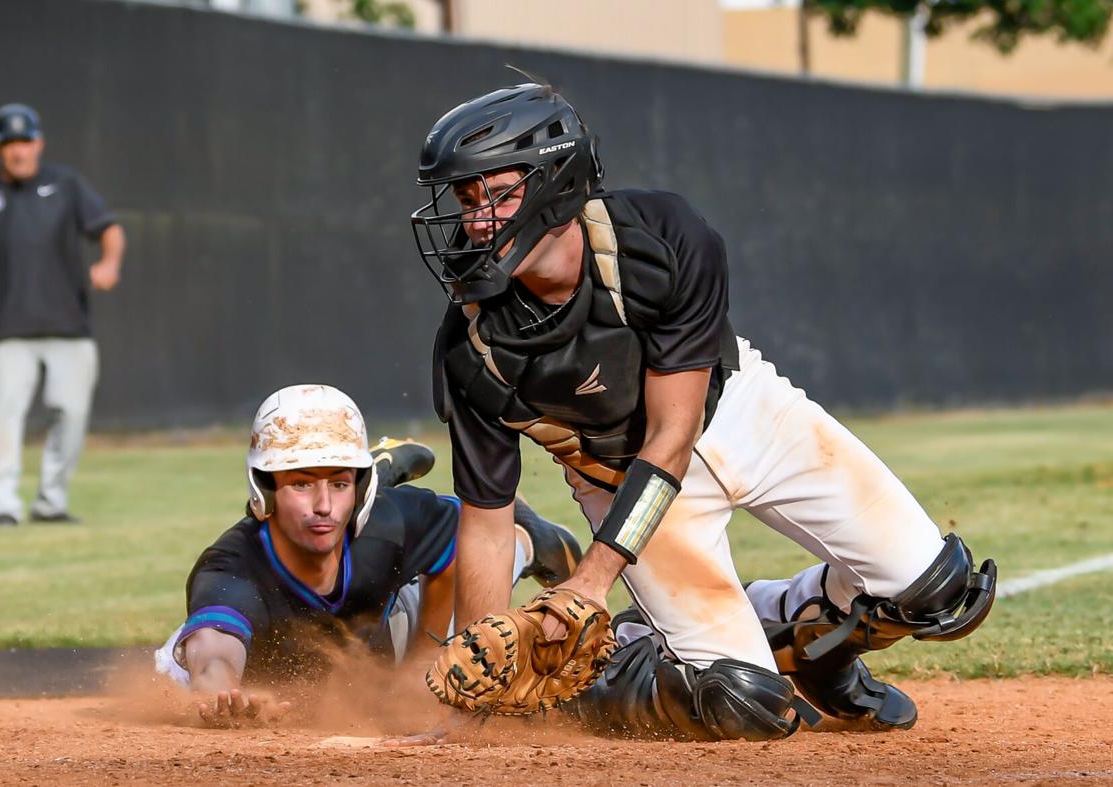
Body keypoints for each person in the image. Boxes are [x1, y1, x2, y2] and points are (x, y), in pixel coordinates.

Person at [409, 81, 997, 740]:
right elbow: (487, 523)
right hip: (615, 479)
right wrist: (481, 681)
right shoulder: (472, 342)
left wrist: (591, 580)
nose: (475, 219)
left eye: (497, 193)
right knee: (743, 705)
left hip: (743, 414)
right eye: (466, 198)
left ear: (556, 182)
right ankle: (627, 655)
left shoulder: (660, 237)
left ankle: (808, 641)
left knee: (941, 590)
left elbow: (673, 434)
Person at [153, 384, 582, 727]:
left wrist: (423, 659)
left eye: (340, 484)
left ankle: (527, 537)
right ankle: (381, 468)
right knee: (172, 668)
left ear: (360, 492)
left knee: (487, 558)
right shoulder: (232, 567)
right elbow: (213, 654)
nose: (323, 505)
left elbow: (467, 539)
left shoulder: (387, 526)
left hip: (388, 628)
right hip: (327, 654)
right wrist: (220, 691)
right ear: (262, 492)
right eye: (301, 484)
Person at [0, 103, 125, 526]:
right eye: (9, 144)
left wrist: (109, 263)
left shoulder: (65, 185)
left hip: (69, 326)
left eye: (25, 141)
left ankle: (51, 502)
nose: (19, 151)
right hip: (8, 328)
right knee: (2, 417)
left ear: (39, 142)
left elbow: (109, 229)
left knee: (71, 413)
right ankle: (2, 505)